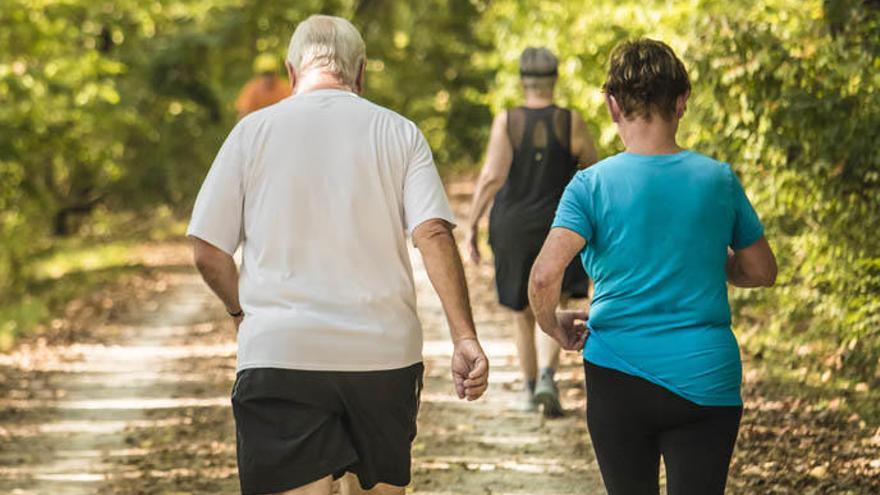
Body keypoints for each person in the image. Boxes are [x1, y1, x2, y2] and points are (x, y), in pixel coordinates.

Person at [188, 15, 489, 495]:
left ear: (291, 72)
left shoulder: (251, 133)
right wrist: (464, 337)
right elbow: (433, 232)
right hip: (382, 357)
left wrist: (239, 310)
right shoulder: (400, 133)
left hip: (280, 354)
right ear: (361, 72)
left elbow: (207, 250)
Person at [529, 39, 777, 494]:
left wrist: (553, 325)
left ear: (612, 106)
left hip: (618, 375)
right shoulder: (717, 179)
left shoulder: (590, 185)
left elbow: (545, 275)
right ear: (682, 102)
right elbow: (761, 270)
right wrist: (715, 261)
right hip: (706, 374)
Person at [465, 47, 597, 416]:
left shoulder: (507, 122)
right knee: (557, 303)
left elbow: (492, 176)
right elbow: (593, 171)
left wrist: (472, 223)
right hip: (561, 225)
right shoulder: (572, 122)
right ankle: (546, 378)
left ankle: (527, 389)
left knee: (521, 310)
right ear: (554, 80)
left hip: (513, 226)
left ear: (523, 81)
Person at [235, 53, 292, 118]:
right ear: (258, 75)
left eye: (271, 74)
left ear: (277, 73)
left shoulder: (285, 88)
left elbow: (292, 109)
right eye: (265, 74)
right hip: (258, 124)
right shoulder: (251, 90)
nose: (268, 78)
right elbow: (243, 113)